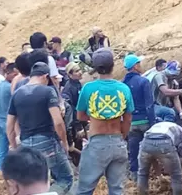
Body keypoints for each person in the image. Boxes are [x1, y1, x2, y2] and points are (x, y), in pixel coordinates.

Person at [6, 61, 73, 194]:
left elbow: (9, 125)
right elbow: (58, 122)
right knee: (65, 178)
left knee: (34, 182)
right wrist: (64, 143)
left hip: (25, 143)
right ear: (45, 76)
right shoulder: (48, 91)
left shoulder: (17, 93)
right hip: (46, 141)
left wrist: (14, 146)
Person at [76, 48, 134, 195]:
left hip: (97, 143)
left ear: (95, 68)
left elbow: (80, 115)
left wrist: (96, 117)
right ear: (113, 65)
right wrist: (122, 136)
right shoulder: (123, 88)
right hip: (117, 142)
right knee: (117, 190)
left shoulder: (89, 88)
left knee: (84, 190)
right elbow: (128, 119)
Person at [122, 53, 155, 182]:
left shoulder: (123, 84)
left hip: (131, 123)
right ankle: (151, 176)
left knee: (133, 150)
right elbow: (149, 105)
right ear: (135, 66)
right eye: (139, 64)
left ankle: (135, 176)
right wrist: (153, 123)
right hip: (145, 121)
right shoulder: (143, 81)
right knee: (149, 150)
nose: (141, 66)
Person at [137, 121, 182, 195]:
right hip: (164, 142)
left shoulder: (159, 126)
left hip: (146, 142)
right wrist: (180, 163)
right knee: (176, 175)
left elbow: (152, 155)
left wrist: (159, 173)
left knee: (142, 174)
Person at [0, 62, 18, 172]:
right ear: (9, 73)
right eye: (15, 75)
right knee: (15, 148)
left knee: (2, 151)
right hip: (10, 122)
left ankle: (1, 173)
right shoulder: (11, 88)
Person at [61, 61, 86, 167]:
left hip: (81, 119)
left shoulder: (77, 84)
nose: (80, 72)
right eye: (77, 71)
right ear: (70, 74)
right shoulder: (69, 88)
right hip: (74, 123)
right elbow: (70, 109)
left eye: (80, 70)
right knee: (76, 145)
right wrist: (78, 126)